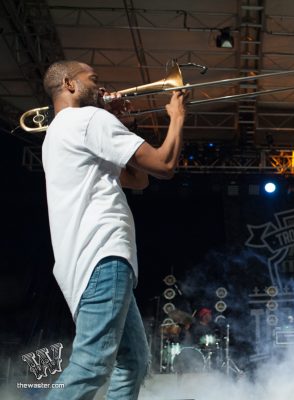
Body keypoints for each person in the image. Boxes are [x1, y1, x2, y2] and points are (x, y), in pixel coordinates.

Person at [42, 60, 186, 399]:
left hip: (88, 260)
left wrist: (124, 124)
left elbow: (138, 179)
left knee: (133, 361)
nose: (102, 86)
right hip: (103, 255)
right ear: (70, 84)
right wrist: (178, 117)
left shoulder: (60, 131)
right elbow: (164, 166)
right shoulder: (89, 119)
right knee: (92, 365)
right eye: (94, 80)